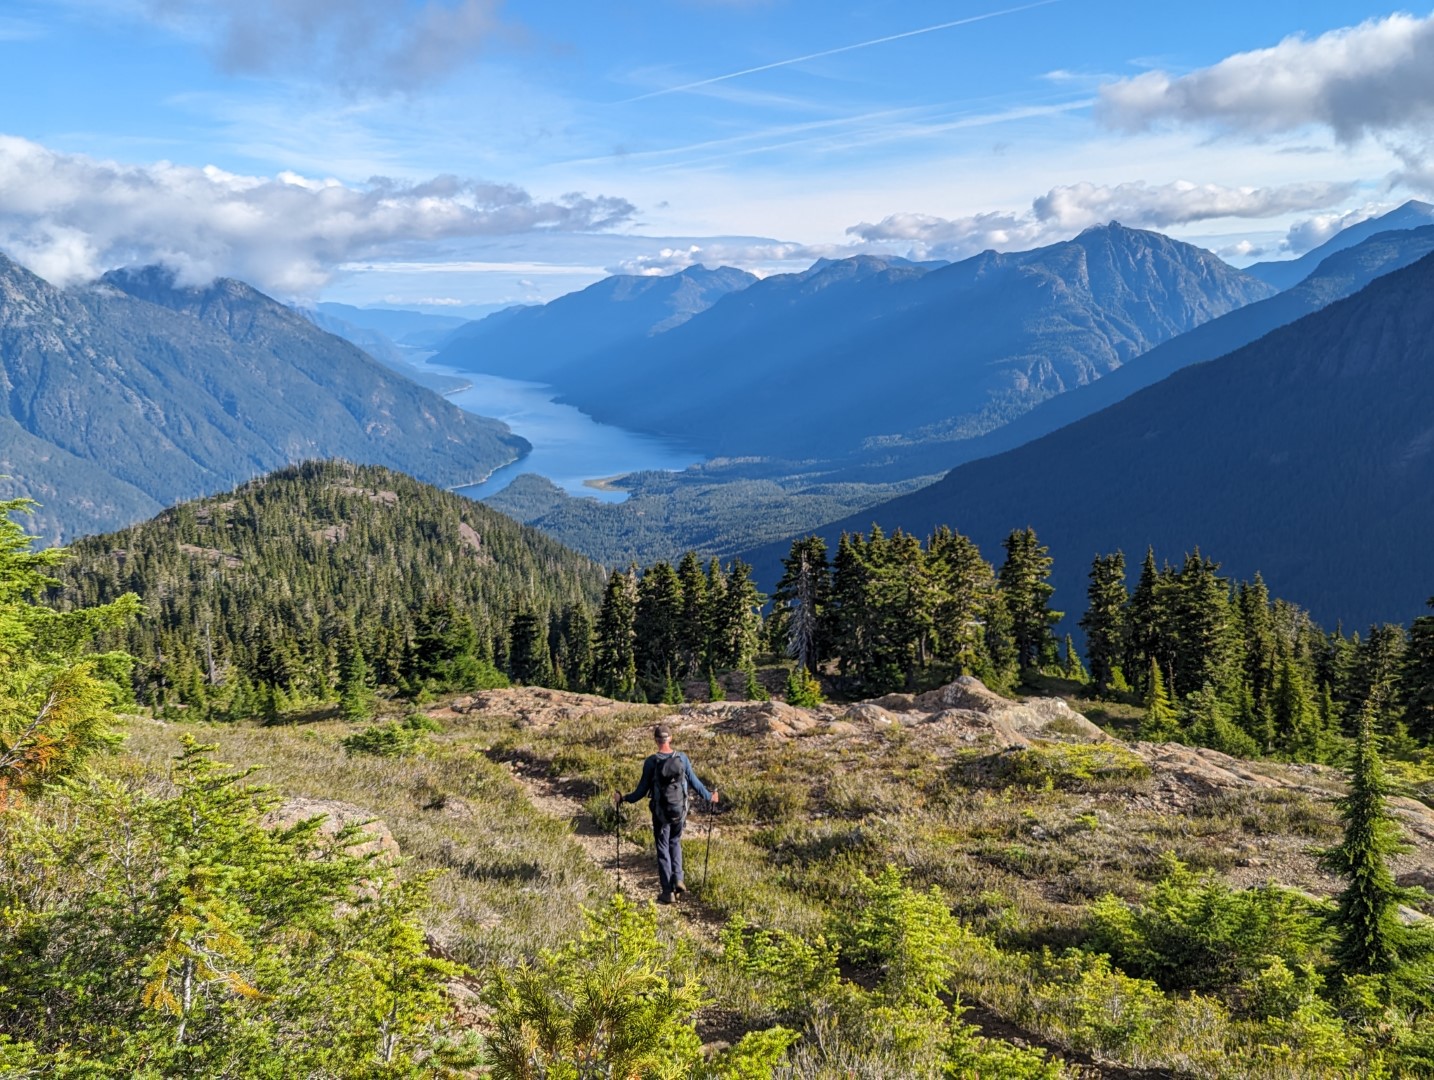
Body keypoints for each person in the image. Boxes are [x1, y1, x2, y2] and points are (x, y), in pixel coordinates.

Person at [613, 724, 718, 904]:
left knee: (662, 848)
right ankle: (678, 878)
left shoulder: (651, 762)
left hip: (660, 813)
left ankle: (667, 891)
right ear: (671, 738)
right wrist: (710, 796)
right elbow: (694, 782)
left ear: (656, 740)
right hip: (679, 811)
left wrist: (623, 798)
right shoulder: (682, 759)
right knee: (675, 842)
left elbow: (641, 791)